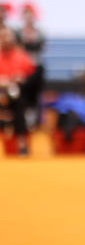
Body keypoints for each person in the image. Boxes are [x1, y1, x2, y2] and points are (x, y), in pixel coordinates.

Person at [0, 25, 36, 155]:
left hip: (16, 95)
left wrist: (20, 79)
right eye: (2, 36)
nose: (5, 39)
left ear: (13, 38)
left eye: (7, 36)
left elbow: (30, 76)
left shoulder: (22, 56)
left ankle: (22, 144)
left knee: (18, 102)